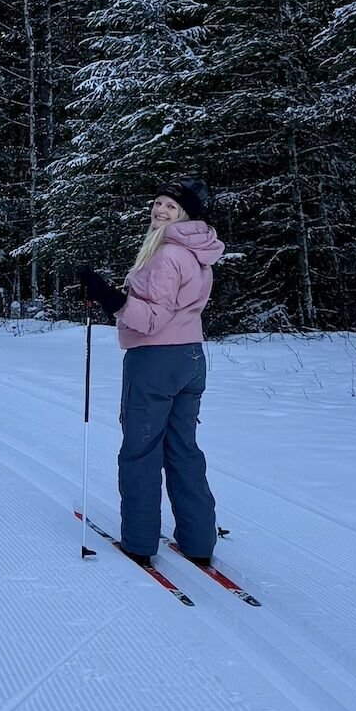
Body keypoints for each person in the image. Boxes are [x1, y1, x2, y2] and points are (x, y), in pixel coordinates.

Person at [77, 181, 225, 568]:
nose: (160, 210)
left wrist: (109, 296)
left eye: (171, 207)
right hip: (191, 358)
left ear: (186, 215)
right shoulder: (198, 253)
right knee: (183, 449)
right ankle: (198, 540)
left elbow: (152, 319)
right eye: (158, 203)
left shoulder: (167, 255)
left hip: (156, 361)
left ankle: (140, 542)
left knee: (141, 450)